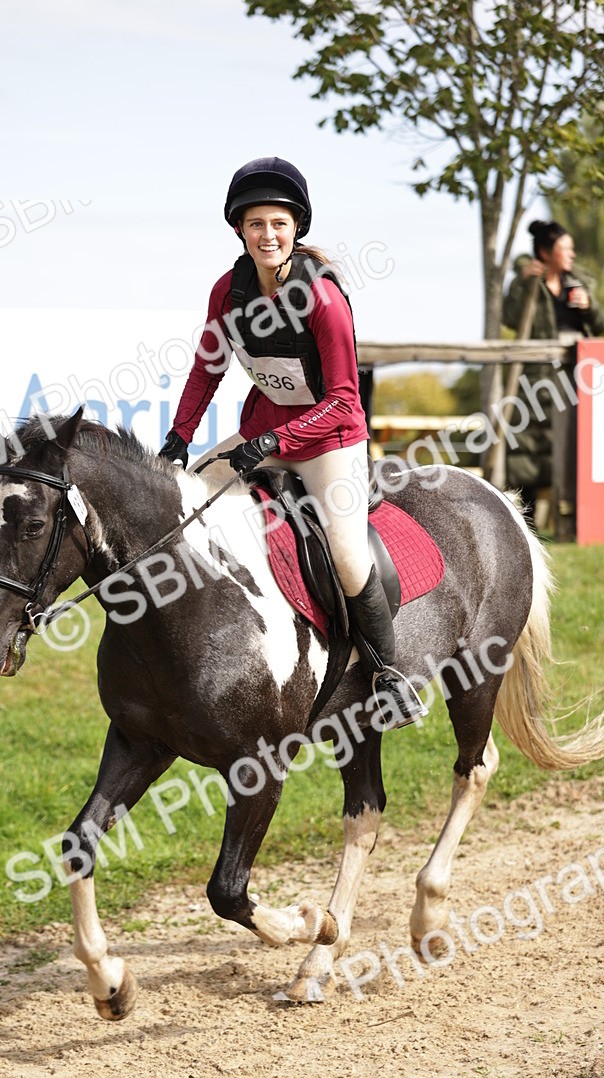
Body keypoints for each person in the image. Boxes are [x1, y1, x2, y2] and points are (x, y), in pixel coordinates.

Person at [158, 156, 426, 728]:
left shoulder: (323, 299)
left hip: (331, 442)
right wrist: (180, 438)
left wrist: (276, 438)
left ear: (296, 227)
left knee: (350, 555)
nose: (268, 234)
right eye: (256, 224)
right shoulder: (227, 293)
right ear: (239, 230)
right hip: (263, 435)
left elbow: (344, 401)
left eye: (278, 223)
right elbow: (208, 369)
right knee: (185, 511)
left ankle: (387, 675)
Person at [503, 219, 604, 524]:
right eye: (566, 248)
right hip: (537, 376)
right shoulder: (527, 280)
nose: (572, 254)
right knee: (531, 447)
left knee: (578, 444)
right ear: (546, 252)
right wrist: (521, 282)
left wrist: (588, 306)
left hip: (578, 374)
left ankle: (578, 520)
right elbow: (510, 318)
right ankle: (529, 524)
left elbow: (600, 325)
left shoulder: (579, 282)